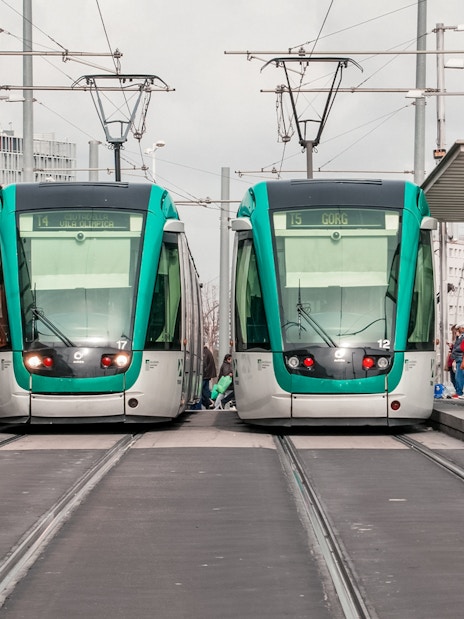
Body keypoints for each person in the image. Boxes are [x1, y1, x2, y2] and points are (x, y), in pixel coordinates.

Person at [450, 325, 464, 399]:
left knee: (459, 376)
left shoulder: (462, 337)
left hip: (460, 357)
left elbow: (459, 347)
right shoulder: (459, 337)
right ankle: (459, 391)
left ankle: (459, 392)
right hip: (458, 358)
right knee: (458, 376)